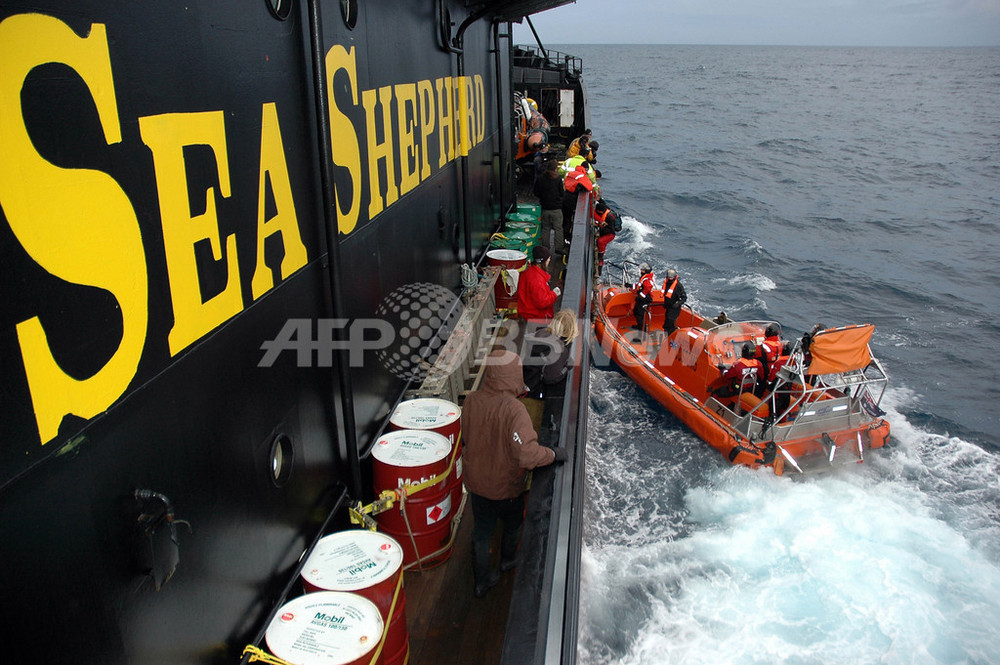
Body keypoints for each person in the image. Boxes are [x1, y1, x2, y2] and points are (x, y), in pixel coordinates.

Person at [461, 349, 566, 597]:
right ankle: (507, 561)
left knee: (481, 532)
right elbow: (527, 456)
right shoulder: (514, 410)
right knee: (512, 525)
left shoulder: (471, 401)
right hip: (506, 488)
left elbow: (467, 438)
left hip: (476, 485)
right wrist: (552, 454)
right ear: (513, 376)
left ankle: (481, 582)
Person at [517, 245, 561, 322]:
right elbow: (542, 302)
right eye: (548, 259)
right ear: (543, 261)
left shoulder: (528, 272)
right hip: (536, 318)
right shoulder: (537, 280)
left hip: (527, 313)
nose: (549, 260)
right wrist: (554, 294)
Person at [533, 160, 564, 265]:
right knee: (558, 228)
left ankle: (545, 247)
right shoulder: (558, 179)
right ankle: (559, 248)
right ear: (555, 168)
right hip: (556, 209)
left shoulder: (541, 178)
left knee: (545, 228)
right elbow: (562, 193)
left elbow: (536, 192)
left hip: (545, 208)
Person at [593, 199, 619, 274]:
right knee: (600, 242)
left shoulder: (609, 218)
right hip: (604, 231)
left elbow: (611, 229)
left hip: (610, 234)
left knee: (600, 241)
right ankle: (600, 260)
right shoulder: (605, 209)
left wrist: (599, 225)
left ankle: (600, 258)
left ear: (600, 211)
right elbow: (602, 202)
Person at [660, 268, 687, 335]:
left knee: (670, 322)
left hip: (674, 308)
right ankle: (667, 334)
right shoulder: (667, 283)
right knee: (667, 322)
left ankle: (670, 335)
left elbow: (684, 298)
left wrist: (677, 304)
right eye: (668, 277)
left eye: (671, 277)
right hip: (668, 306)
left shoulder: (678, 286)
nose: (670, 278)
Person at [632, 263, 655, 332]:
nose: (641, 271)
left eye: (642, 270)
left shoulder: (647, 279)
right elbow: (640, 285)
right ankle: (639, 326)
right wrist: (631, 285)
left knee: (640, 314)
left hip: (644, 299)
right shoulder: (644, 277)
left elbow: (647, 288)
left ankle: (642, 330)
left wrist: (641, 296)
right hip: (642, 298)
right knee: (636, 311)